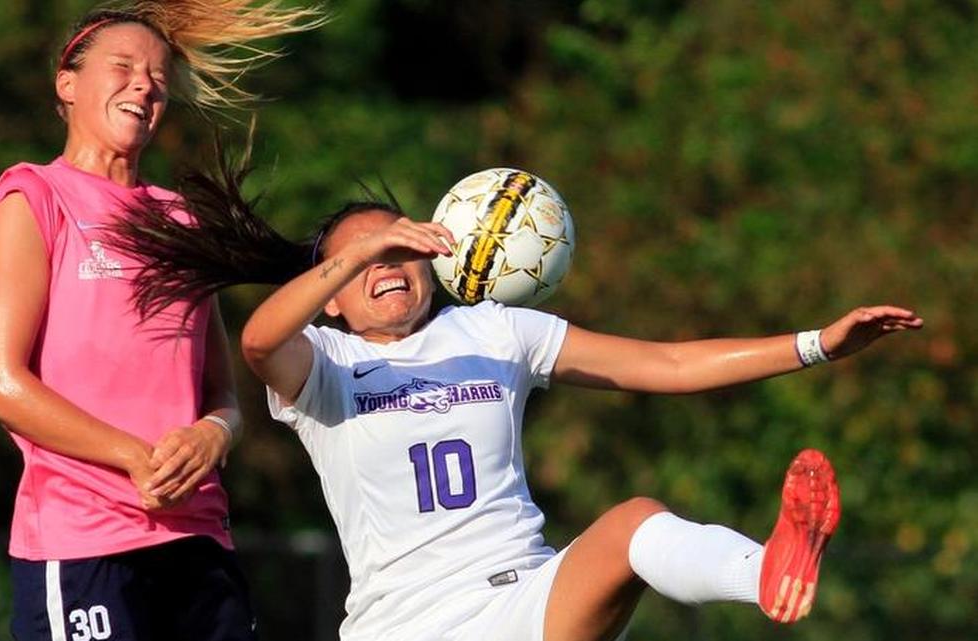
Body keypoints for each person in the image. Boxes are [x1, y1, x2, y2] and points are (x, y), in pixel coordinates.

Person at [108, 166, 923, 641]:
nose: (386, 262)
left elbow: (667, 362)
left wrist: (818, 342)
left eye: (400, 244)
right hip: (406, 625)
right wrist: (356, 251)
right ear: (333, 298)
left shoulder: (497, 331)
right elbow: (258, 340)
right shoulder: (326, 360)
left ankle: (765, 570)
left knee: (633, 522)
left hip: (523, 599)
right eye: (361, 260)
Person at [0, 3, 318, 640]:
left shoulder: (180, 219)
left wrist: (215, 434)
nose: (145, 85)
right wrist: (133, 457)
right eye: (123, 67)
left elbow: (222, 396)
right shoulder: (34, 197)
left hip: (199, 538)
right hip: (84, 542)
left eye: (158, 77)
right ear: (67, 83)